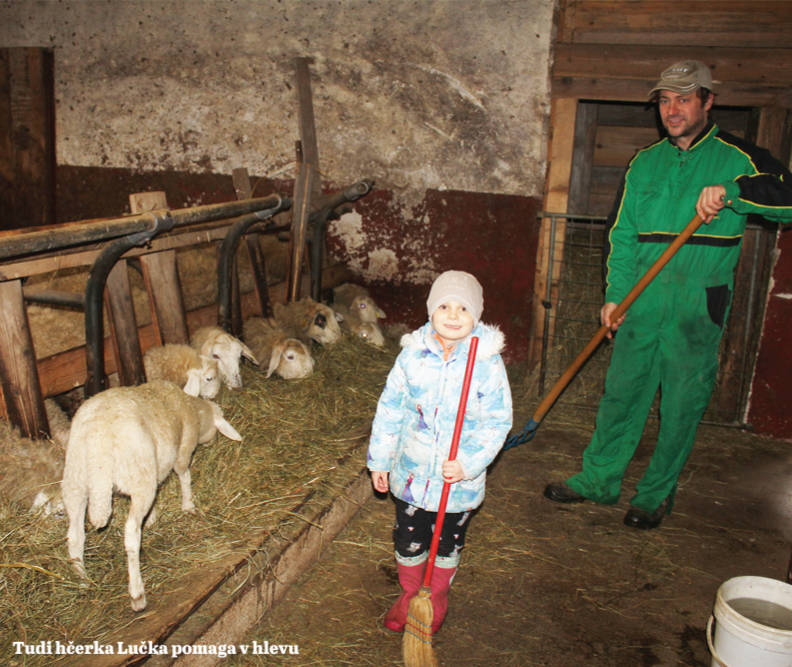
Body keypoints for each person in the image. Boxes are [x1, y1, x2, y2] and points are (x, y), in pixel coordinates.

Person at [544, 59, 792, 529]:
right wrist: (616, 296)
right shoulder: (645, 162)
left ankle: (655, 494)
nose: (672, 109)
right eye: (665, 100)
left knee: (681, 403)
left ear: (707, 101)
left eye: (683, 98)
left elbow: (788, 197)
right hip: (642, 299)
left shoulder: (739, 158)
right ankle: (599, 480)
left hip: (697, 305)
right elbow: (622, 236)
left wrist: (735, 191)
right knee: (621, 394)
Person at [367, 270, 512, 634]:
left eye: (463, 308)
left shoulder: (486, 362)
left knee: (447, 543)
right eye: (444, 305)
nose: (452, 314)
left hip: (458, 482)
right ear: (431, 309)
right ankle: (411, 596)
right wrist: (380, 460)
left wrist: (468, 464)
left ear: (476, 315)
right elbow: (391, 408)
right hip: (413, 475)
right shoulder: (412, 355)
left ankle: (435, 599)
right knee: (408, 538)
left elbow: (498, 421)